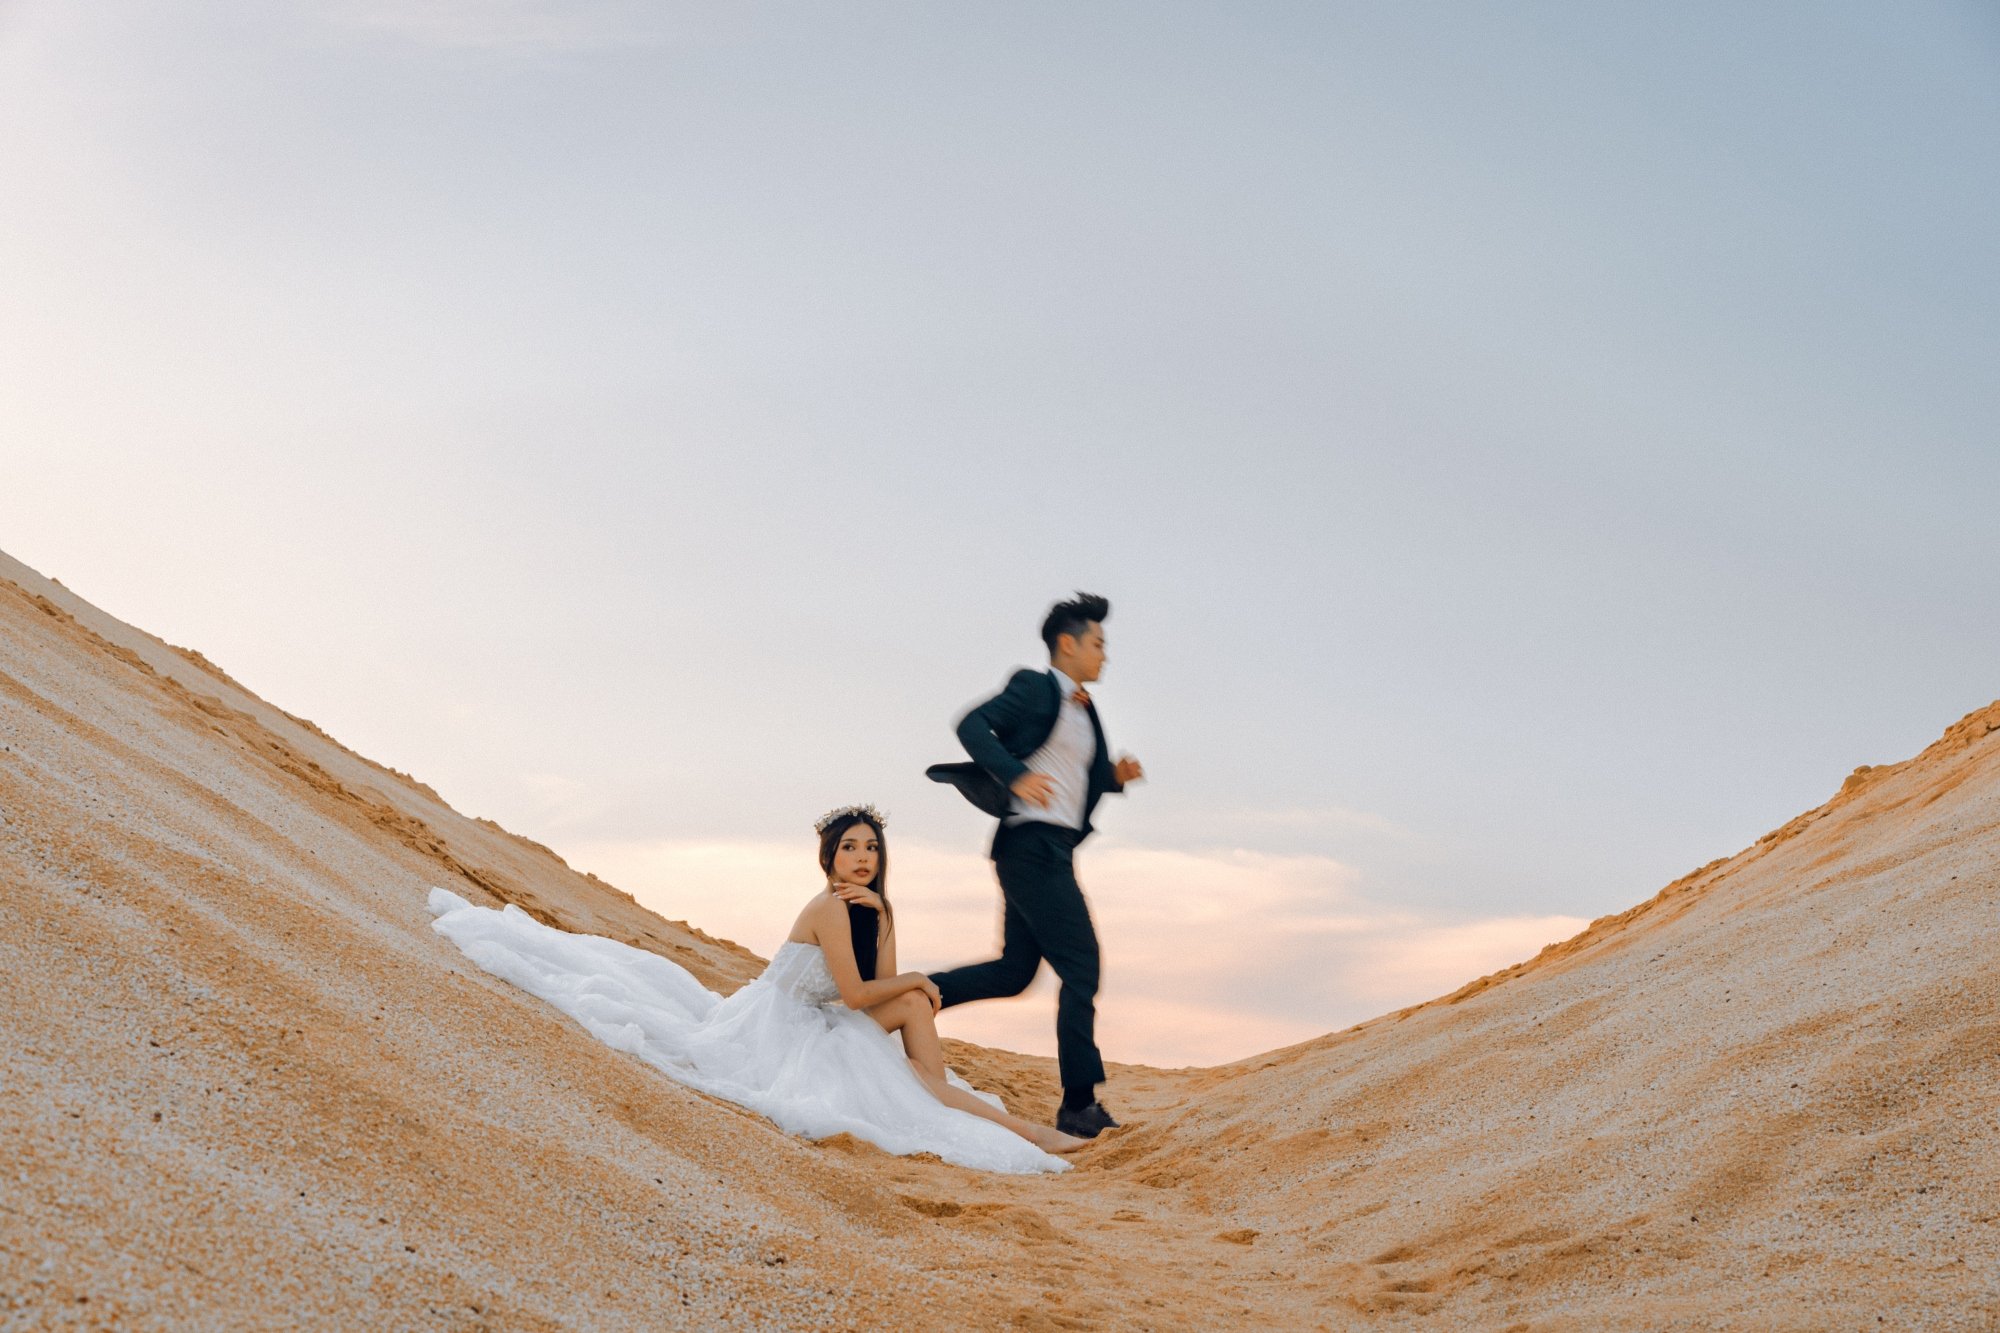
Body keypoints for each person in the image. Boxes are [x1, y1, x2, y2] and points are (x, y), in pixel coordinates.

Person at [426, 805, 1085, 1173]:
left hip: (829, 1017)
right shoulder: (827, 908)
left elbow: (881, 984)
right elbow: (858, 997)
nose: (863, 858)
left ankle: (990, 1113)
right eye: (850, 847)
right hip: (781, 1025)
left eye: (872, 849)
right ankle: (1020, 1128)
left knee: (912, 1004)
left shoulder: (872, 909)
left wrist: (885, 919)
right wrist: (916, 977)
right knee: (912, 999)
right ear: (828, 858)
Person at [925, 592, 1144, 1139]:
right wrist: (1014, 773)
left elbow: (1080, 781)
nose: (1105, 655)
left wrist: (1114, 777)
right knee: (1082, 965)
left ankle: (908, 997)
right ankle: (1079, 1104)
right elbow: (973, 725)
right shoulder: (1034, 687)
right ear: (1067, 644)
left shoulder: (1086, 712)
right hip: (1032, 847)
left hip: (1051, 850)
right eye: (1098, 643)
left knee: (1014, 972)